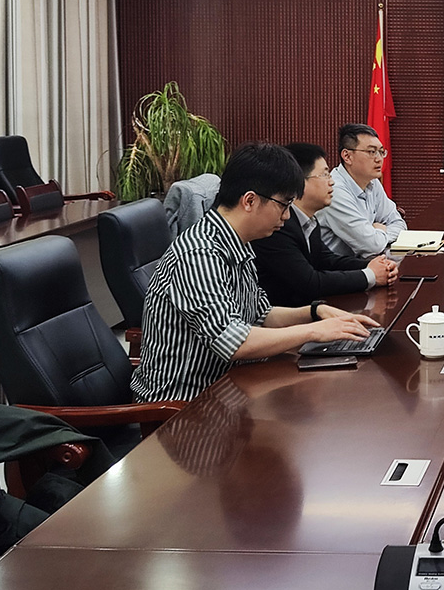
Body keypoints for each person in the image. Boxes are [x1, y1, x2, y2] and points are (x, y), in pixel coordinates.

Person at [131, 143, 380, 403]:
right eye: (283, 205)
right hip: (184, 405)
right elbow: (234, 342)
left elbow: (260, 314)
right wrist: (314, 332)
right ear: (249, 201)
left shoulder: (239, 242)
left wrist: (315, 312)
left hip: (230, 386)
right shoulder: (199, 254)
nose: (287, 216)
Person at [252, 142, 399, 307]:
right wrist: (370, 276)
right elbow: (310, 283)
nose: (332, 182)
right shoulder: (278, 226)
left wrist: (374, 265)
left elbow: (326, 260)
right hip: (282, 316)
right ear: (298, 181)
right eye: (324, 175)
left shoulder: (308, 219)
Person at [317, 123, 407, 259]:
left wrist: (378, 232)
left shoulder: (372, 183)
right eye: (371, 152)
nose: (379, 159)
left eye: (381, 152)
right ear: (347, 156)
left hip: (363, 263)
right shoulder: (334, 191)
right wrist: (378, 232)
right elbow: (371, 246)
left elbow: (399, 223)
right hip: (335, 268)